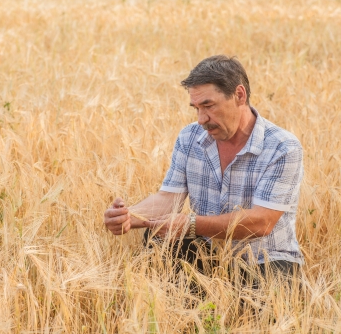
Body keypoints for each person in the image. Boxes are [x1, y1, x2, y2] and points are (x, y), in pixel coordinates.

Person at [103, 55, 304, 279]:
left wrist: (191, 224)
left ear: (239, 95)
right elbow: (169, 199)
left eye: (208, 106)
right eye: (196, 108)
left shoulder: (282, 147)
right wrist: (130, 217)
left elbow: (262, 222)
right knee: (157, 239)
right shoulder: (189, 137)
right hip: (208, 256)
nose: (201, 118)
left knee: (259, 307)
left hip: (267, 261)